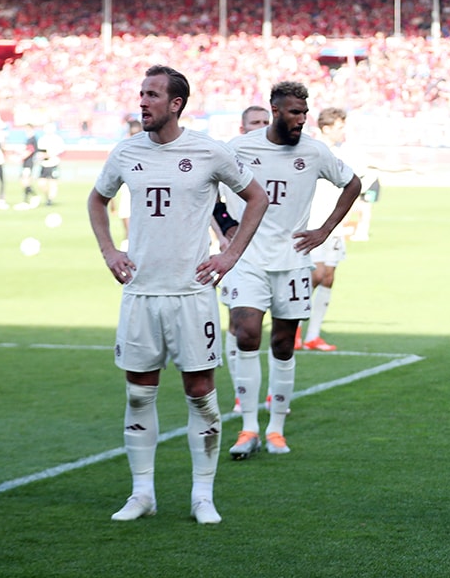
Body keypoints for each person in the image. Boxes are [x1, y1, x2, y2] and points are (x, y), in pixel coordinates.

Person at [87, 65, 269, 524]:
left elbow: (257, 198)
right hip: (141, 294)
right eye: (140, 94)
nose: (142, 102)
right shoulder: (125, 152)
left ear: (176, 104)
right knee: (138, 394)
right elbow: (96, 200)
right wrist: (110, 250)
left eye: (151, 95)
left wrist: (230, 257)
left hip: (192, 295)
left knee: (200, 392)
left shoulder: (209, 150)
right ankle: (142, 493)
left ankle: (202, 496)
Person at [221, 82, 361, 460]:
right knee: (246, 334)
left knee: (283, 345)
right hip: (247, 260)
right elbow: (208, 188)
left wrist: (324, 230)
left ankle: (276, 429)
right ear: (276, 110)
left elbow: (352, 184)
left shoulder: (314, 151)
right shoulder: (240, 147)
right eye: (294, 112)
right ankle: (248, 426)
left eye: (304, 112)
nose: (301, 119)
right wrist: (224, 226)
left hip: (293, 260)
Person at [220, 105, 271, 404]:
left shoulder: (278, 157)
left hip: (272, 252)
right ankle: (242, 391)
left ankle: (264, 389)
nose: (261, 126)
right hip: (238, 251)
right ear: (242, 128)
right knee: (238, 322)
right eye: (255, 122)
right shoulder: (229, 156)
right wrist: (224, 233)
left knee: (270, 325)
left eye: (266, 122)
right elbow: (211, 197)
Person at [301, 106, 358, 352]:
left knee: (328, 277)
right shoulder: (311, 151)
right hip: (312, 223)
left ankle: (312, 335)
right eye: (339, 127)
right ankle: (292, 327)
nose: (342, 131)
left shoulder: (343, 153)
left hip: (333, 224)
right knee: (313, 276)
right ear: (325, 128)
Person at [37, 123, 64, 206]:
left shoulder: (57, 139)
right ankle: (47, 197)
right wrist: (41, 156)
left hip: (53, 164)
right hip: (44, 164)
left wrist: (51, 154)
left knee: (53, 183)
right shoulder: (42, 140)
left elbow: (61, 151)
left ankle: (50, 200)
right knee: (41, 183)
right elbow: (41, 152)